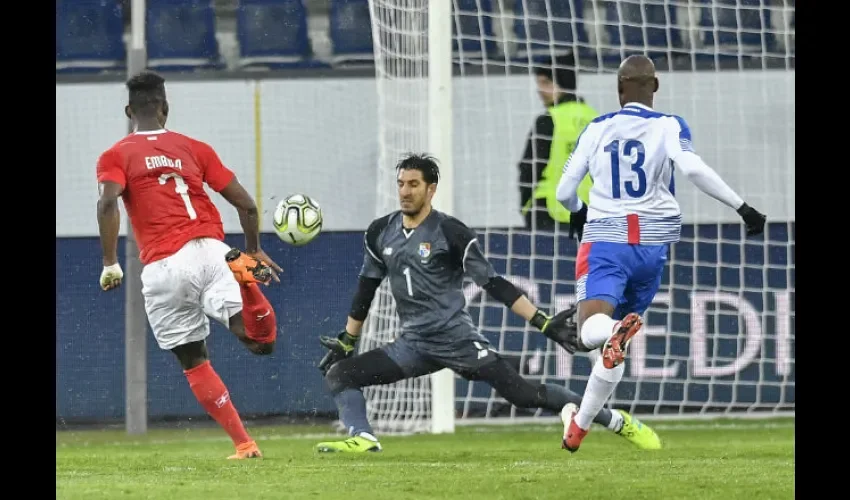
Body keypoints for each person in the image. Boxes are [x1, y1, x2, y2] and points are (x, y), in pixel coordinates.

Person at [313, 153, 662, 453]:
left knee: (524, 395)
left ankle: (613, 419)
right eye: (401, 184)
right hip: (413, 345)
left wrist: (542, 322)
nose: (405, 191)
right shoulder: (379, 232)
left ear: (431, 189)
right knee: (342, 373)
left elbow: (493, 283)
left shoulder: (451, 232)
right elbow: (366, 288)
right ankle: (363, 437)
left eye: (413, 184)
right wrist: (348, 339)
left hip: (458, 341)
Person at [555, 55, 767, 452]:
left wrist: (579, 213)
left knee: (589, 333)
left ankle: (611, 339)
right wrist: (742, 207)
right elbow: (692, 168)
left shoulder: (597, 128)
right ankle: (578, 430)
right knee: (615, 348)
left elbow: (565, 191)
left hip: (607, 241)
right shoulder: (670, 125)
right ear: (656, 87)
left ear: (619, 90)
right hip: (653, 245)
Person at [96, 71, 283, 460]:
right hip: (215, 252)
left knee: (193, 359)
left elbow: (107, 203)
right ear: (165, 108)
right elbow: (246, 204)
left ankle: (244, 444)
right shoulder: (195, 148)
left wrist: (111, 262)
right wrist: (254, 248)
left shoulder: (116, 155)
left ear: (129, 110)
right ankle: (247, 280)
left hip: (165, 266)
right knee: (259, 343)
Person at [519, 53, 598, 232]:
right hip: (590, 214)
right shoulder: (595, 118)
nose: (540, 90)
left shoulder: (549, 120)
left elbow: (530, 167)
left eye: (546, 83)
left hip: (548, 211)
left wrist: (526, 204)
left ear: (562, 84)